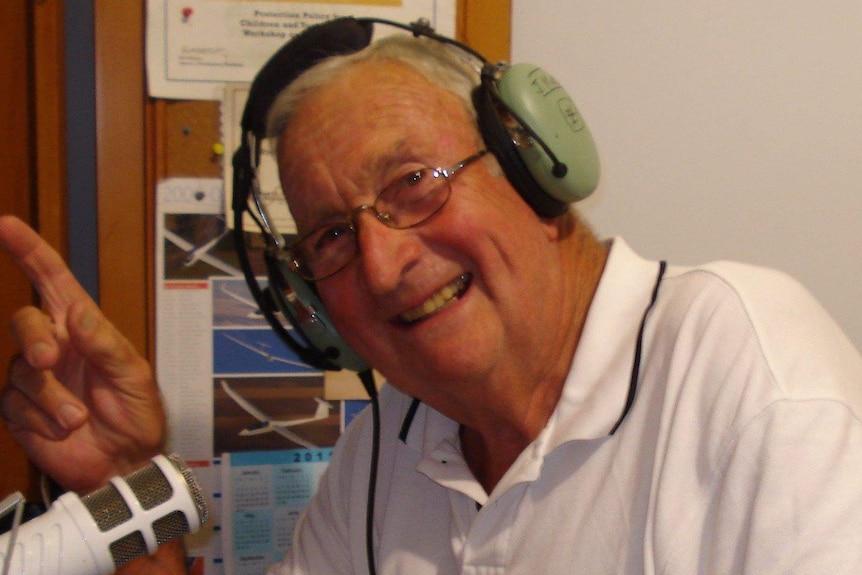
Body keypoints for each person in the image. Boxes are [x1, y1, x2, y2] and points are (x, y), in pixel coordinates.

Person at [3, 21, 862, 575]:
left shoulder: (751, 368)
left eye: (415, 183)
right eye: (333, 237)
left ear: (532, 163)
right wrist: (122, 487)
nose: (381, 264)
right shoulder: (388, 447)